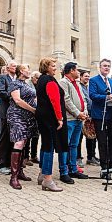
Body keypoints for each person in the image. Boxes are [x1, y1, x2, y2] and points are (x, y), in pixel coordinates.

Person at [35, 57, 68, 192]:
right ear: (46, 67)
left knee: (45, 144)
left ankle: (42, 174)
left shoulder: (42, 79)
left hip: (43, 116)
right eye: (53, 65)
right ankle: (48, 180)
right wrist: (59, 118)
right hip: (50, 117)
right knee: (49, 146)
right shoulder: (49, 80)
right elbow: (55, 100)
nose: (55, 67)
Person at [7, 64, 38, 190]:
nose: (29, 71)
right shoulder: (15, 84)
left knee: (24, 142)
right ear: (20, 71)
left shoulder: (26, 84)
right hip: (16, 115)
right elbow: (17, 100)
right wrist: (32, 109)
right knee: (19, 142)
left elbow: (34, 99)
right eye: (27, 69)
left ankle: (20, 172)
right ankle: (13, 177)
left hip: (28, 117)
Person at [59, 62, 89, 180]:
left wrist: (84, 111)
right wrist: (78, 113)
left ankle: (73, 169)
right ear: (71, 70)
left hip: (78, 119)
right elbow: (66, 100)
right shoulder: (63, 82)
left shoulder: (76, 83)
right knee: (65, 145)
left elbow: (83, 99)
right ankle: (63, 171)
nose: (78, 72)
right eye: (77, 70)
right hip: (70, 119)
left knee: (74, 145)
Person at [89, 58, 112, 173]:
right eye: (104, 66)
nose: (107, 68)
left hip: (111, 114)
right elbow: (92, 95)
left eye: (108, 66)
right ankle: (104, 165)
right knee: (102, 141)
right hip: (99, 115)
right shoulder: (94, 80)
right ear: (100, 68)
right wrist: (106, 97)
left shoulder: (111, 81)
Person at [0, 61, 17, 175]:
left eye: (16, 66)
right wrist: (13, 96)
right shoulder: (3, 78)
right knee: (3, 138)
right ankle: (0, 164)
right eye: (13, 65)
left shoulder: (16, 80)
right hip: (6, 111)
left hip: (15, 113)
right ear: (8, 68)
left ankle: (8, 163)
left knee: (11, 139)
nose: (15, 67)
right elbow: (0, 92)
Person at [78, 70, 99, 166]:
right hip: (82, 114)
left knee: (91, 136)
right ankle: (77, 157)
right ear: (81, 77)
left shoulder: (89, 87)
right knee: (79, 137)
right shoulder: (79, 87)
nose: (87, 78)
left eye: (88, 76)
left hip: (91, 114)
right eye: (86, 76)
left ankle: (91, 157)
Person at [23, 71, 41, 164]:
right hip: (29, 112)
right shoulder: (27, 84)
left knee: (36, 135)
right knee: (28, 135)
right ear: (32, 77)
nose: (38, 80)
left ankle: (34, 155)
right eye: (37, 78)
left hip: (37, 113)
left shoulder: (38, 85)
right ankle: (26, 157)